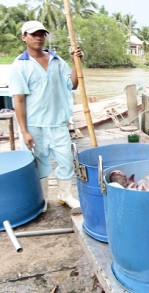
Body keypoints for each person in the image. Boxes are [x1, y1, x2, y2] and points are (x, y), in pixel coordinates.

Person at [9, 20, 82, 212]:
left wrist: (76, 63)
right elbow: (19, 101)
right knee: (39, 165)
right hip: (34, 125)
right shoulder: (19, 65)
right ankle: (41, 200)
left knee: (66, 159)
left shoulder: (57, 60)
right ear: (24, 37)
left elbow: (72, 84)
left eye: (42, 34)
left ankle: (65, 194)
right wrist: (24, 131)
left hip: (58, 122)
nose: (39, 38)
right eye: (34, 34)